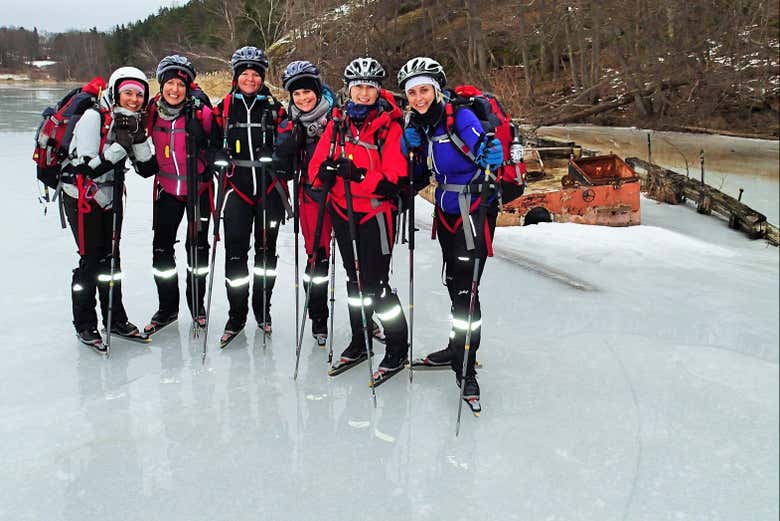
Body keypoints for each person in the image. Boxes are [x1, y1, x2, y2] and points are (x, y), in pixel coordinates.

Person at [398, 57, 518, 406]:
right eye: (412, 92)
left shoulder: (460, 117)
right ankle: (456, 347)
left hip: (474, 211)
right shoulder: (421, 125)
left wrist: (489, 153)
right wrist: (412, 153)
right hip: (447, 210)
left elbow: (484, 149)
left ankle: (467, 370)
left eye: (424, 90)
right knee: (454, 283)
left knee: (468, 290)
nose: (419, 98)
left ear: (436, 90)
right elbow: (422, 171)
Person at [308, 57, 409, 384]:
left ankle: (396, 348)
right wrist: (322, 174)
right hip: (342, 211)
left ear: (378, 91)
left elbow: (394, 178)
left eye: (369, 88)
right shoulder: (337, 122)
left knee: (375, 285)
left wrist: (359, 174)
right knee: (354, 282)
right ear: (348, 90)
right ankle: (360, 338)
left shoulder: (391, 126)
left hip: (376, 213)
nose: (363, 94)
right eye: (358, 88)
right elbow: (317, 165)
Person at [61, 66, 156, 351]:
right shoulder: (93, 117)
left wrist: (136, 138)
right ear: (115, 92)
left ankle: (115, 318)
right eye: (127, 92)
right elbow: (89, 166)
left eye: (139, 95)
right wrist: (120, 146)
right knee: (91, 261)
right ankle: (85, 323)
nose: (133, 99)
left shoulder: (130, 121)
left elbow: (147, 168)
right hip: (82, 198)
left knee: (112, 260)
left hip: (111, 199)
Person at [214, 46, 289, 347]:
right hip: (237, 192)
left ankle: (263, 311)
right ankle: (236, 315)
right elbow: (205, 142)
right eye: (244, 74)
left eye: (255, 74)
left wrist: (278, 151)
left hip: (269, 192)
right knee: (235, 257)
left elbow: (290, 140)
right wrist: (214, 154)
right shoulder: (223, 108)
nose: (249, 79)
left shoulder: (275, 108)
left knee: (266, 257)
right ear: (236, 76)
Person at [141, 55, 217, 335]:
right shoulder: (151, 111)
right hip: (166, 191)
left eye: (180, 84)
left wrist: (208, 150)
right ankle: (167, 309)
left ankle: (197, 307)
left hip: (199, 191)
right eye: (169, 83)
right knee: (161, 251)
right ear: (161, 85)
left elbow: (219, 146)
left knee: (197, 250)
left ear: (188, 86)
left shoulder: (202, 113)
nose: (174, 89)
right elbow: (136, 136)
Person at [273, 60, 337, 346]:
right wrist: (284, 153)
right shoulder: (289, 121)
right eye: (296, 94)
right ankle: (318, 317)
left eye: (307, 92)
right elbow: (284, 167)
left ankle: (366, 319)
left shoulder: (339, 116)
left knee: (356, 262)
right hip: (310, 197)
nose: (302, 98)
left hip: (344, 197)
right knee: (317, 259)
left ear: (317, 89)